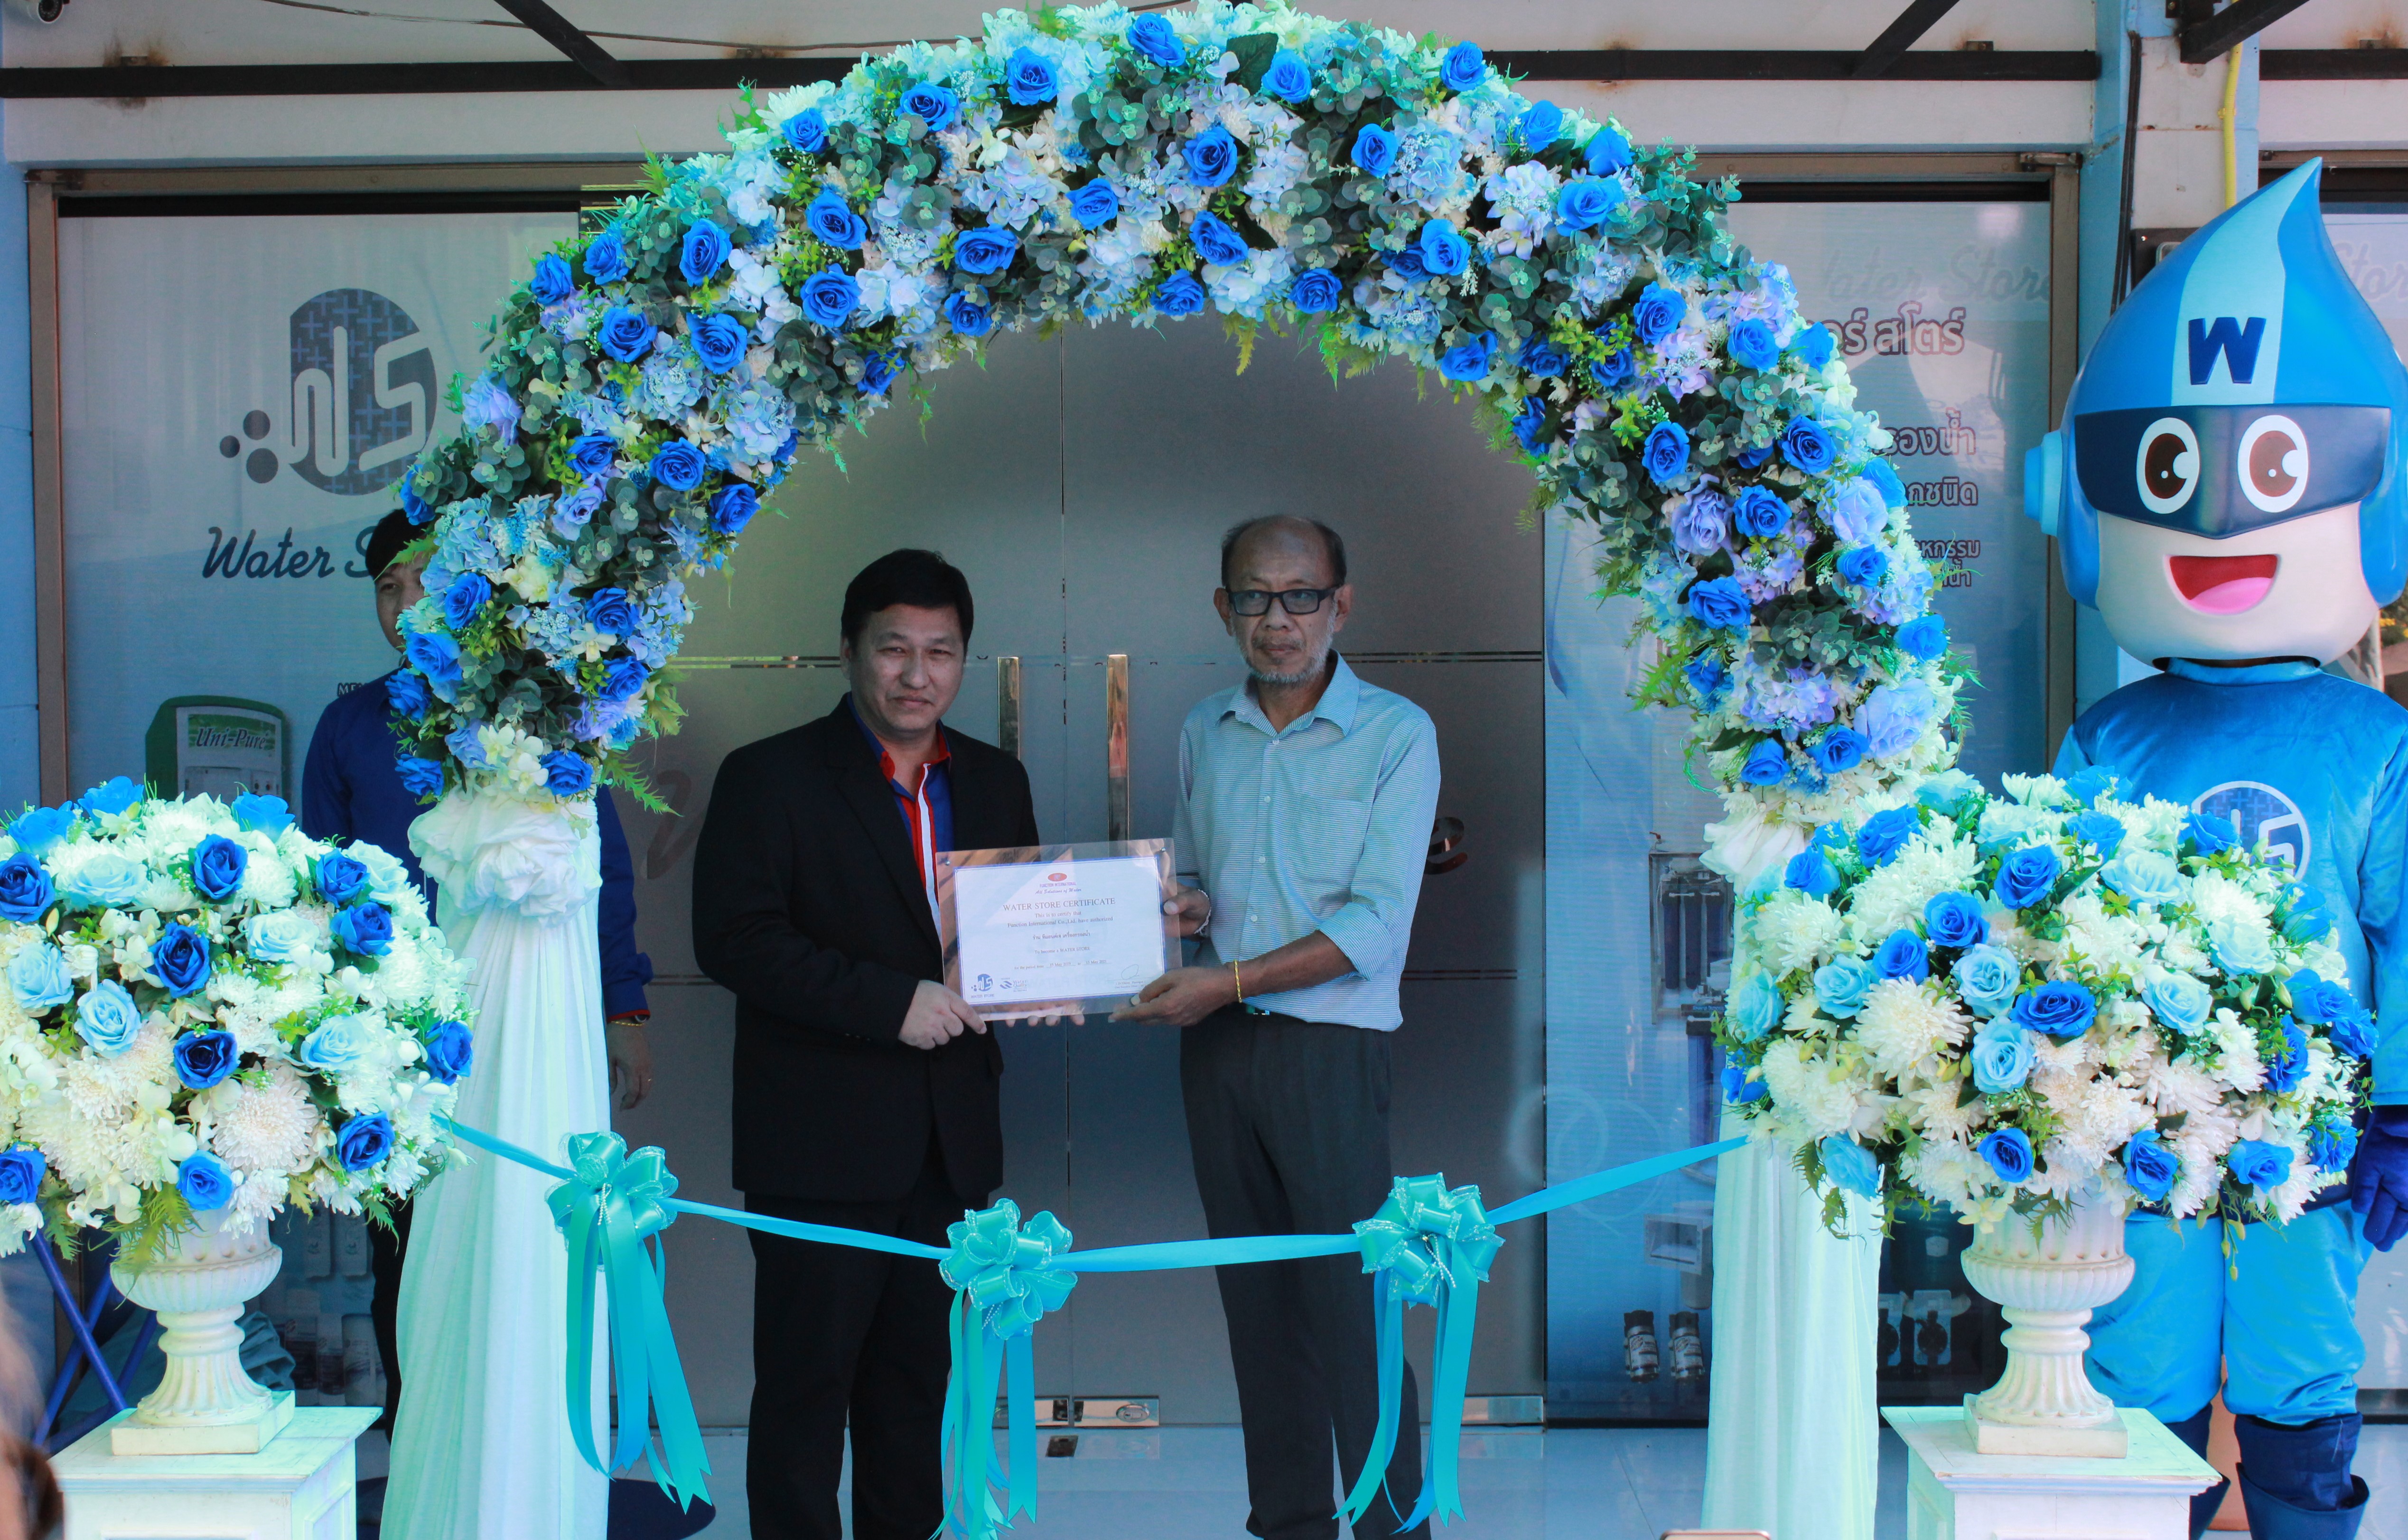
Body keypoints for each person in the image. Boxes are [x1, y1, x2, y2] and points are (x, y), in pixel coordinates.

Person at [2027, 160, 2408, 1538]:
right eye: (2164, 476)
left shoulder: (2376, 744)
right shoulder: (2109, 735)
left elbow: (2400, 931)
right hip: (2142, 1119)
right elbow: (2052, 931)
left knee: (2302, 1360)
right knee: (2146, 1362)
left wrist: (2396, 1105)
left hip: (2312, 1119)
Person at [691, 548, 1041, 1540]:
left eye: (941, 651)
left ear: (963, 659)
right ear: (848, 651)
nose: (916, 675)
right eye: (894, 649)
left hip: (949, 1143)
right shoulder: (769, 776)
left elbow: (1021, 931)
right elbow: (735, 939)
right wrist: (891, 1003)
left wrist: (1135, 935)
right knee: (804, 1396)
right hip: (819, 1147)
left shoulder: (996, 779)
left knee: (915, 1392)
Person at [1116, 515, 1441, 1540]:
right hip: (1217, 1052)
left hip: (1328, 1050)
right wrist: (1183, 912)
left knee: (1353, 1310)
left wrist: (1228, 979)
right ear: (1224, 607)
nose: (1278, 619)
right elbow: (1201, 885)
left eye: (1301, 595)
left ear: (1340, 604)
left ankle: (1394, 1530)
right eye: (1254, 596)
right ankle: (1290, 1523)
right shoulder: (1203, 729)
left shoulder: (1396, 733)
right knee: (1258, 1311)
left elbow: (1375, 927)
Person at [299, 507, 655, 1434]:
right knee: (410, 1255)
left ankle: (533, 1442)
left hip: (529, 1027)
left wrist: (623, 1012)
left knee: (532, 1232)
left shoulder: (539, 715)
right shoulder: (349, 727)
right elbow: (321, 893)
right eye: (387, 587)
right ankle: (422, 1446)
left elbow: (601, 871)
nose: (404, 604)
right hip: (399, 1047)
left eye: (424, 580)